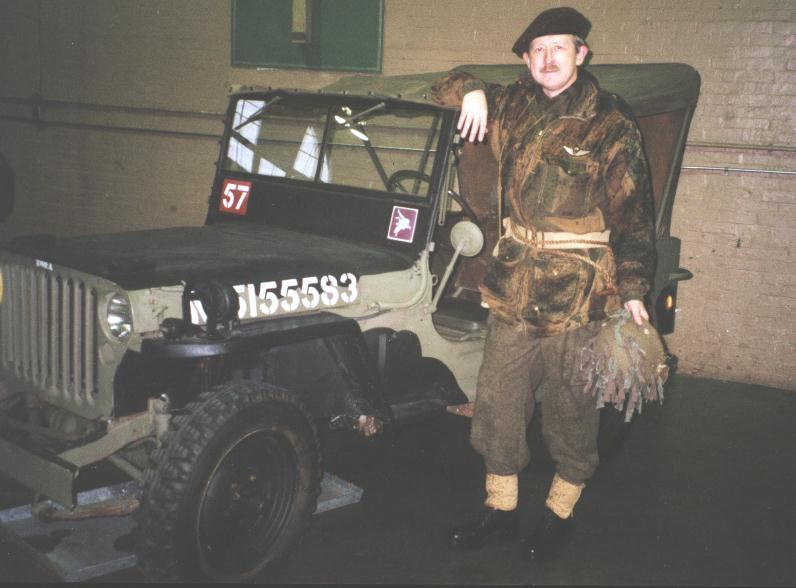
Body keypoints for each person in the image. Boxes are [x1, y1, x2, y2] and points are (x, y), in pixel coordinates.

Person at [431, 6, 666, 561]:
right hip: (514, 286)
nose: (547, 58)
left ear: (581, 54)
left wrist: (633, 288)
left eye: (559, 48)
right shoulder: (510, 103)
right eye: (537, 50)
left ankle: (559, 513)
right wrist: (469, 91)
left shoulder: (610, 121)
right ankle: (501, 511)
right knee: (496, 405)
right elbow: (436, 86)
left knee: (570, 414)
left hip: (578, 296)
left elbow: (634, 216)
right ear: (525, 60)